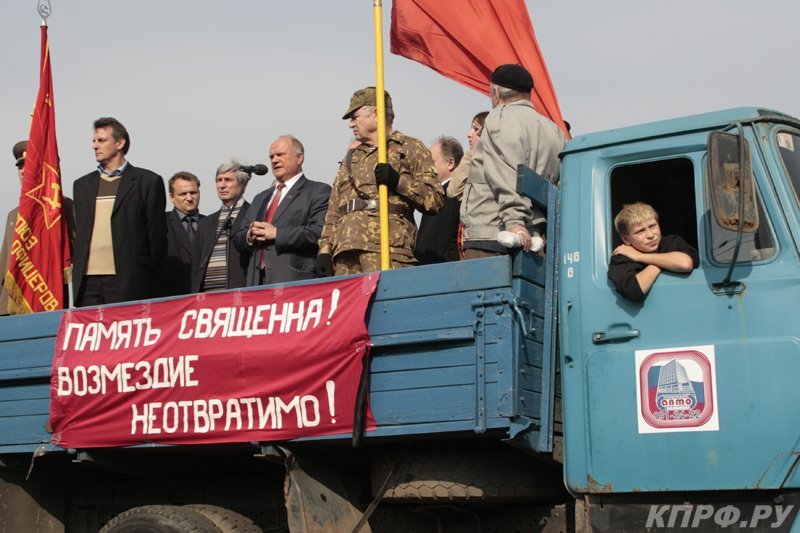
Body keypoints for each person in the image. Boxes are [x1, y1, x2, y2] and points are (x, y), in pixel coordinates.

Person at [315, 87, 443, 276]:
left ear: (376, 113)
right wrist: (325, 251)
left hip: (387, 250)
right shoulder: (351, 157)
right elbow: (334, 210)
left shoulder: (409, 148)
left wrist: (398, 181)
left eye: (355, 117)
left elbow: (435, 200)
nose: (351, 124)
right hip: (345, 254)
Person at [460, 64, 567, 258]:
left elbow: (506, 170)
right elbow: (559, 188)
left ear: (496, 93)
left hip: (495, 235)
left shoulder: (501, 118)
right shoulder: (555, 131)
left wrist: (515, 222)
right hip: (533, 241)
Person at [72, 118, 166, 307]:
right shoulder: (82, 185)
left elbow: (156, 235)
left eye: (101, 140)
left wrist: (142, 272)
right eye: (94, 141)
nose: (95, 146)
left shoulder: (147, 181)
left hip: (129, 280)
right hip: (87, 282)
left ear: (120, 143)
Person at [233, 135, 330, 286]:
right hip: (257, 284)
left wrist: (277, 233)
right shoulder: (261, 198)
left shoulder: (318, 191)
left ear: (299, 158)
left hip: (295, 281)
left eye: (280, 155)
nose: (274, 160)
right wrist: (250, 235)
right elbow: (238, 238)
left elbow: (318, 232)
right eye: (271, 156)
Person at [0, 141, 76, 314]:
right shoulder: (13, 215)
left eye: (28, 165)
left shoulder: (62, 207)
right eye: (19, 166)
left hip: (47, 298)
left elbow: (75, 249)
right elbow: (4, 262)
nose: (22, 171)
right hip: (12, 303)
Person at [608, 202, 699, 302]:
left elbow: (685, 263)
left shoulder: (672, 242)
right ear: (626, 240)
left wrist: (640, 257)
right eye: (640, 231)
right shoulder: (622, 257)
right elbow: (634, 290)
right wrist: (662, 263)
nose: (650, 235)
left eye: (652, 226)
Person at [191, 161, 251, 292]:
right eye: (219, 180)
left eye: (228, 180)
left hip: (240, 294)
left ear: (243, 184)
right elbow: (196, 266)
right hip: (207, 297)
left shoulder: (254, 213)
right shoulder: (205, 223)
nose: (222, 185)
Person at [414, 136, 464, 264]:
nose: (427, 168)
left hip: (441, 272)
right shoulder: (438, 193)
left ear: (450, 163)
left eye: (432, 162)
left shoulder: (453, 197)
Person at [158, 172, 203, 296]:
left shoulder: (211, 223)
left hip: (204, 295)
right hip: (171, 295)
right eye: (183, 194)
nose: (189, 198)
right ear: (171, 197)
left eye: (193, 193)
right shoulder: (160, 223)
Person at [448, 111, 489, 201]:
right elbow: (453, 191)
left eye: (476, 129)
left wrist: (473, 153)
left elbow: (454, 191)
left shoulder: (492, 166)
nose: (469, 134)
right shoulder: (473, 163)